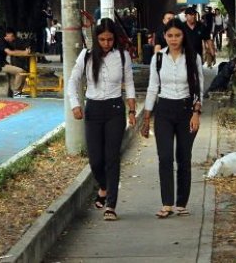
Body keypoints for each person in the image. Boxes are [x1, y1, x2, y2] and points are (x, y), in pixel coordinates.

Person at [67, 18, 136, 221]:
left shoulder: (123, 56)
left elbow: (129, 84)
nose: (106, 43)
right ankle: (104, 187)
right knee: (96, 160)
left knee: (112, 157)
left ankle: (111, 205)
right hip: (93, 109)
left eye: (110, 39)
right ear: (96, 39)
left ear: (115, 38)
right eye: (103, 39)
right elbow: (73, 80)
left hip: (115, 108)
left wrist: (132, 111)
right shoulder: (87, 56)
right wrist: (75, 104)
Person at [142, 18, 204, 218]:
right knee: (165, 157)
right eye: (170, 36)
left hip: (187, 110)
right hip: (164, 110)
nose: (174, 39)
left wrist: (196, 113)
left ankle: (181, 203)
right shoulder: (158, 58)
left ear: (183, 36)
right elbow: (152, 88)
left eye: (178, 35)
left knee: (184, 158)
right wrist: (146, 117)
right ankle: (167, 203)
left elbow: (198, 87)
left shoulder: (193, 58)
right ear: (164, 37)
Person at [0, 28, 33, 98]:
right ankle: (16, 93)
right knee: (20, 72)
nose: (13, 39)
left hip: (4, 64)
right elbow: (10, 52)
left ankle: (19, 92)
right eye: (13, 37)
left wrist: (25, 51)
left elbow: (14, 50)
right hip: (0, 66)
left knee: (24, 72)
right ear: (8, 35)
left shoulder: (5, 43)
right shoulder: (0, 42)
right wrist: (24, 53)